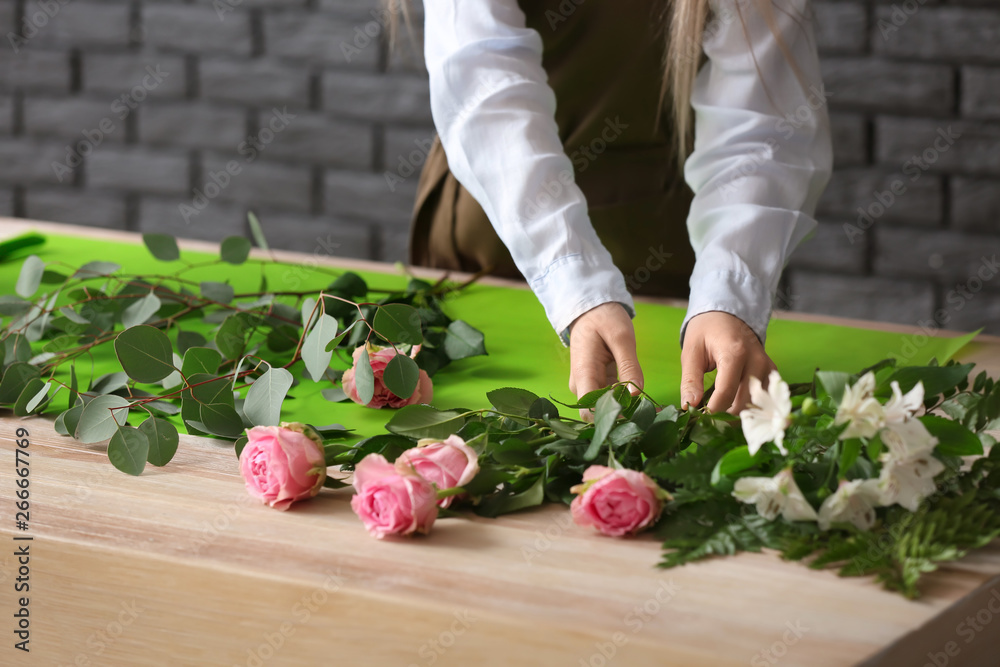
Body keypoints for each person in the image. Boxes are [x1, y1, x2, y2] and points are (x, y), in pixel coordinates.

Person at [397, 0, 831, 414]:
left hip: (674, 241)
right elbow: (484, 82)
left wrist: (728, 293)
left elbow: (761, 124)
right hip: (491, 232)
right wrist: (575, 286)